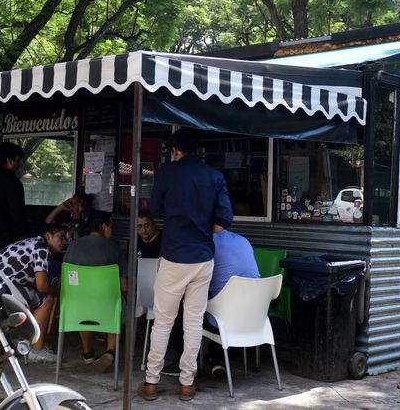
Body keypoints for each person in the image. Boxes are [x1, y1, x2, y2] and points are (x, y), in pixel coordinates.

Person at [139, 128, 233, 403]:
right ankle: (187, 384)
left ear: (175, 150)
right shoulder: (215, 177)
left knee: (163, 321)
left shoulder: (168, 173)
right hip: (202, 259)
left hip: (172, 256)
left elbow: (154, 210)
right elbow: (224, 219)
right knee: (193, 322)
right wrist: (203, 230)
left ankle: (152, 382)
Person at [0, 225, 69, 363]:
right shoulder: (42, 248)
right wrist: (58, 290)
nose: (64, 241)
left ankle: (26, 341)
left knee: (35, 296)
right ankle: (36, 350)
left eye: (66, 238)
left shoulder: (31, 243)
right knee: (46, 299)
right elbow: (42, 286)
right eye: (60, 237)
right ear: (48, 236)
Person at [63, 211, 127, 371]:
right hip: (107, 306)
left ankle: (88, 353)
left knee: (82, 304)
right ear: (103, 226)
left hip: (75, 305)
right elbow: (124, 286)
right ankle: (110, 351)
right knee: (118, 304)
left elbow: (66, 279)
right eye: (111, 227)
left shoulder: (73, 245)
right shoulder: (115, 248)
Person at [204, 225, 260, 378]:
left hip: (224, 321)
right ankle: (215, 358)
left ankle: (190, 367)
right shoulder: (244, 241)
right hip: (255, 320)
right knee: (220, 302)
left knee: (190, 309)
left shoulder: (205, 243)